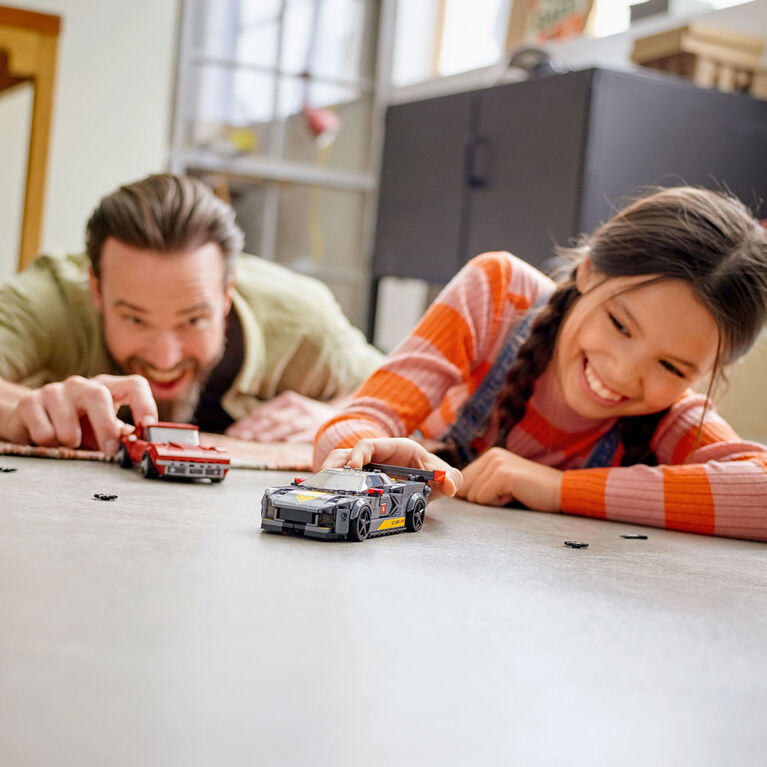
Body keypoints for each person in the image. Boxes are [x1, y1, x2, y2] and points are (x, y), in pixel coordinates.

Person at [315, 187, 767, 542]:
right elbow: (354, 425)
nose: (624, 373)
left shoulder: (671, 415)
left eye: (673, 367)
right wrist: (371, 457)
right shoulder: (498, 294)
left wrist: (558, 490)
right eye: (620, 325)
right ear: (588, 272)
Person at [0, 174, 384, 454]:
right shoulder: (45, 302)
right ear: (96, 290)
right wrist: (22, 410)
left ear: (226, 294)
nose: (164, 358)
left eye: (193, 320)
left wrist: (339, 414)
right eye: (134, 319)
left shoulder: (303, 320)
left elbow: (413, 392)